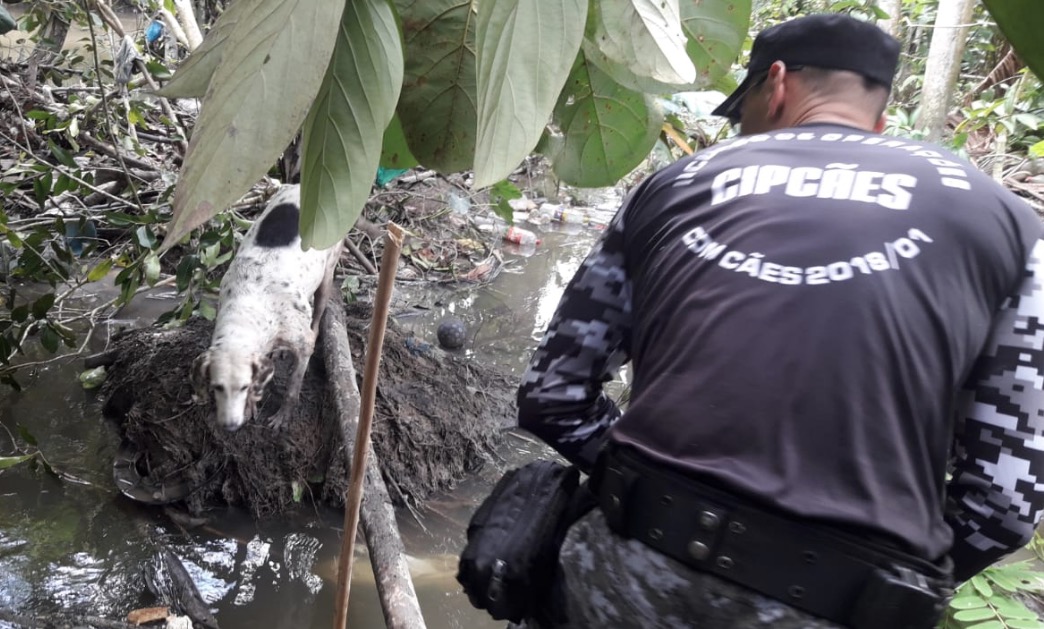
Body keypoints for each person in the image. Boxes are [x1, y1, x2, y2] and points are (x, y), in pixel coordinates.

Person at [516, 13, 1044, 629]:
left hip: (634, 572)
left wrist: (640, 491)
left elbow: (553, 396)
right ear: (878, 115)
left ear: (777, 84)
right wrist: (875, 583)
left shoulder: (676, 184)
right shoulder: (1011, 225)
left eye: (743, 112)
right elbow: (1005, 501)